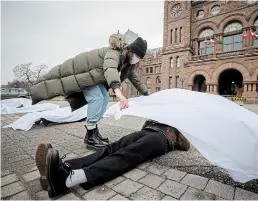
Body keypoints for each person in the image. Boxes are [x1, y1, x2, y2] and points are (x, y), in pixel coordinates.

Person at [29, 35, 149, 149]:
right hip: (84, 74)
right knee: (97, 98)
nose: (137, 59)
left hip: (94, 77)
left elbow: (136, 80)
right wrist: (117, 91)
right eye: (136, 56)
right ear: (130, 50)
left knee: (105, 99)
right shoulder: (114, 53)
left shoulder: (127, 63)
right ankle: (91, 136)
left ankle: (93, 133)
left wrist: (148, 95)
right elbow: (110, 68)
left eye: (139, 58)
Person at [35, 119, 190, 198]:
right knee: (111, 148)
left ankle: (70, 179)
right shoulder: (162, 112)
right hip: (147, 131)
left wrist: (179, 127)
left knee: (127, 154)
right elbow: (145, 123)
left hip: (162, 139)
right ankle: (59, 169)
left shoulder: (183, 121)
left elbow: (186, 145)